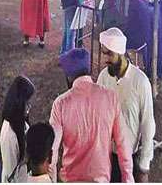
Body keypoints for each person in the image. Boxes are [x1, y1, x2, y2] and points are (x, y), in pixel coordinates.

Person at [49, 48, 134, 183]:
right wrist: (128, 179)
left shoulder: (60, 104)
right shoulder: (110, 98)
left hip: (70, 180)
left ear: (69, 76)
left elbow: (51, 151)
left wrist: (51, 180)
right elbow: (123, 144)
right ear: (89, 70)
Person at [97, 28, 155, 182]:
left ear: (120, 52)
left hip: (130, 156)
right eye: (104, 53)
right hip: (106, 154)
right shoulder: (103, 78)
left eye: (109, 54)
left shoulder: (140, 81)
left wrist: (144, 166)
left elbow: (148, 124)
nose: (105, 59)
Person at [0, 76, 35, 183]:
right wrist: (25, 160)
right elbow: (10, 175)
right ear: (19, 102)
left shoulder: (20, 121)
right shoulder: (9, 134)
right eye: (27, 103)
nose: (29, 107)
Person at [121, 0, 154, 80]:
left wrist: (121, 32)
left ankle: (125, 71)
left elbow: (130, 26)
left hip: (139, 38)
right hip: (146, 36)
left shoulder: (134, 2)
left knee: (117, 43)